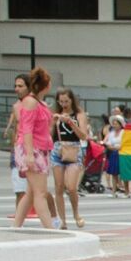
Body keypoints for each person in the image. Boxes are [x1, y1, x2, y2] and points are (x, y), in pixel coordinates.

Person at [7, 71, 58, 229]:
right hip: (32, 149)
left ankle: (16, 225)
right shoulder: (30, 101)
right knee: (40, 192)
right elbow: (26, 128)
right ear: (45, 85)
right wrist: (29, 154)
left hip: (40, 148)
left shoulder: (39, 103)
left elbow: (39, 127)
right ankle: (49, 228)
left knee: (31, 193)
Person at [49, 88, 91, 229]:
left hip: (73, 149)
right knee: (59, 187)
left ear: (72, 100)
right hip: (58, 149)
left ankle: (76, 213)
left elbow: (83, 136)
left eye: (66, 101)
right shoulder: (56, 114)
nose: (64, 104)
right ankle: (63, 220)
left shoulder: (79, 114)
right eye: (61, 102)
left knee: (71, 187)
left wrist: (71, 123)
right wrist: (52, 122)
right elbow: (49, 135)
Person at [104, 114, 127, 196]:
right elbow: (109, 144)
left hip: (122, 154)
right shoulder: (111, 133)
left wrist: (116, 147)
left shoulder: (124, 133)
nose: (114, 125)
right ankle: (114, 191)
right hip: (114, 154)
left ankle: (126, 191)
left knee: (123, 173)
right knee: (114, 173)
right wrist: (114, 147)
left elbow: (124, 144)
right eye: (113, 123)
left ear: (120, 124)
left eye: (116, 123)